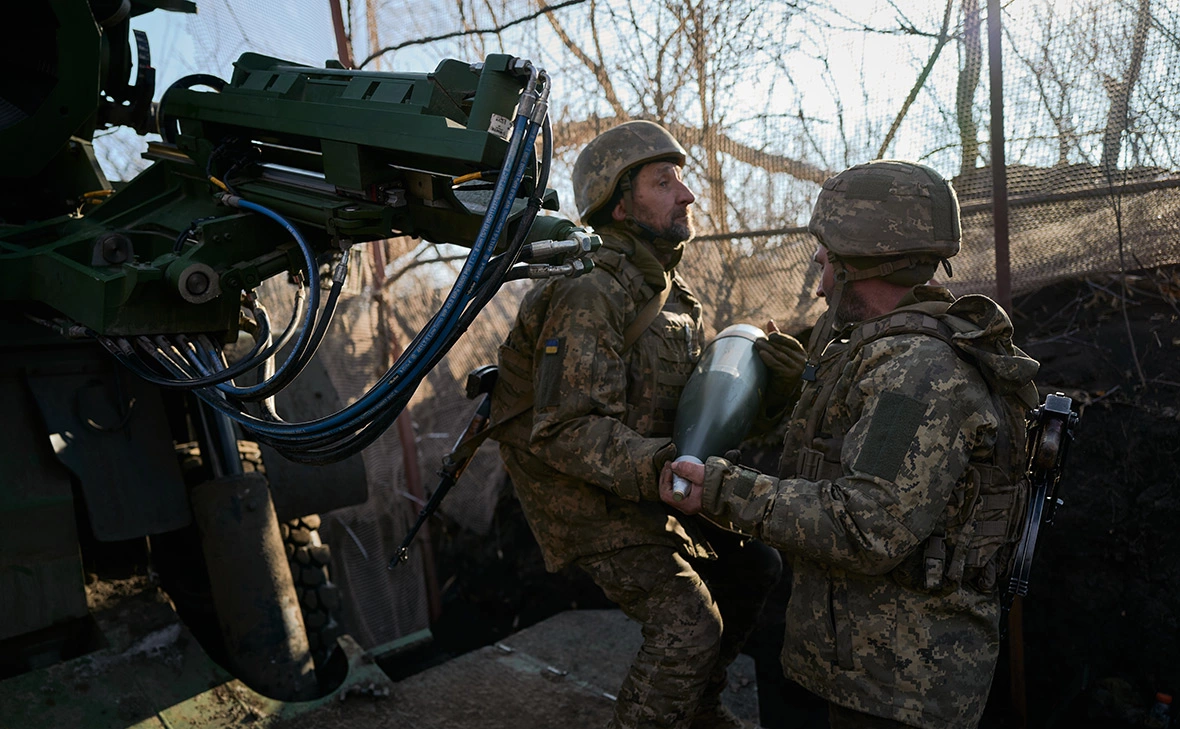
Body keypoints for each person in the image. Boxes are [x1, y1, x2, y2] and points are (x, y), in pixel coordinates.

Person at [660, 160, 1041, 729]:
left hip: (896, 687)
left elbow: (867, 524)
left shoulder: (918, 372)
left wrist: (720, 490)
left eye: (827, 246)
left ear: (863, 260)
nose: (818, 259)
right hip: (865, 666)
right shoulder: (881, 352)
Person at [490, 120, 795, 729]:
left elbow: (695, 416)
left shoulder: (670, 293)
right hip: (585, 496)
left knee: (755, 566)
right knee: (687, 625)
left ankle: (697, 708)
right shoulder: (589, 291)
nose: (686, 195)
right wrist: (659, 465)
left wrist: (772, 394)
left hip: (644, 480)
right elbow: (565, 430)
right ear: (619, 203)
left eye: (680, 180)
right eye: (665, 182)